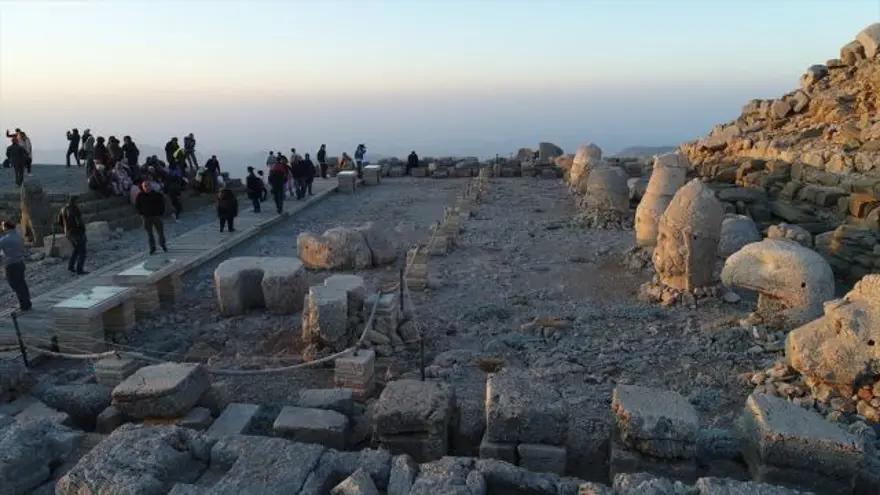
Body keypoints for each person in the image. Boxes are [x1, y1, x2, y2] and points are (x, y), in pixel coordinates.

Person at [0, 221, 31, 311]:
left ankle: (24, 304)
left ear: (6, 227)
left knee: (15, 284)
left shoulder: (6, 239)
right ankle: (27, 302)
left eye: (2, 226)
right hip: (20, 262)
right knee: (22, 283)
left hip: (11, 264)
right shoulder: (18, 235)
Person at [134, 181, 168, 254]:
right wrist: (141, 213)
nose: (146, 188)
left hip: (156, 216)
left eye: (147, 186)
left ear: (150, 186)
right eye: (145, 186)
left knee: (160, 232)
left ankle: (163, 244)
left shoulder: (156, 194)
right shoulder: (140, 196)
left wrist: (160, 212)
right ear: (143, 187)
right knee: (150, 234)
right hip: (146, 217)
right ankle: (152, 248)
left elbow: (162, 204)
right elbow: (137, 206)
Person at [58, 195, 88, 274]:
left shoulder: (63, 209)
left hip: (68, 233)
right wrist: (83, 230)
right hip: (77, 232)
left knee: (76, 249)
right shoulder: (75, 209)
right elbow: (79, 221)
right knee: (82, 251)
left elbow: (60, 222)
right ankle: (79, 269)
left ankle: (71, 266)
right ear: (75, 201)